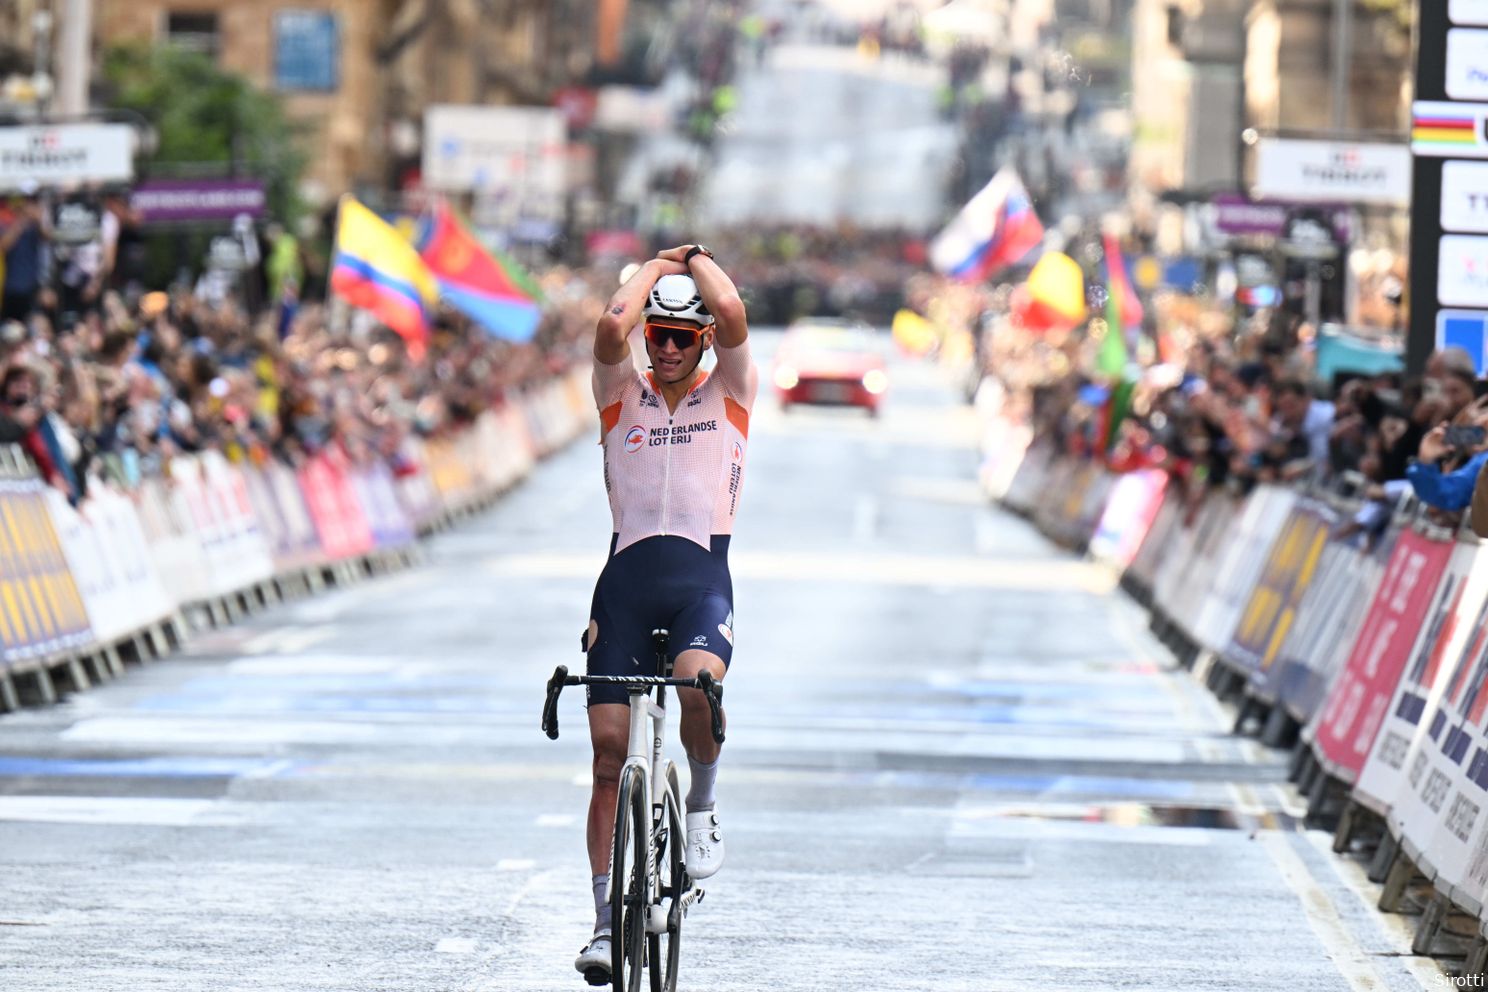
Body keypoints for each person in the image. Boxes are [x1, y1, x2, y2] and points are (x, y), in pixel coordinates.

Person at [574, 245, 756, 982]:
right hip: (622, 587)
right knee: (609, 759)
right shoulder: (621, 388)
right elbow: (609, 331)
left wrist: (696, 258)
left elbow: (737, 313)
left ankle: (703, 805)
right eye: (661, 335)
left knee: (693, 687)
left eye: (684, 336)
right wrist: (652, 271)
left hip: (699, 586)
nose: (671, 347)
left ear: (703, 340)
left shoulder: (731, 393)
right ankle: (600, 926)